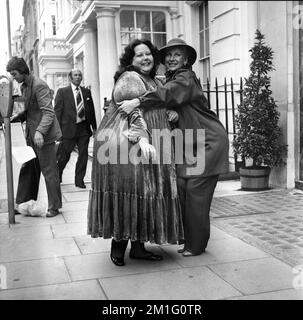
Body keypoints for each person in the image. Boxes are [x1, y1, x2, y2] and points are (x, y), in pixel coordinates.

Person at [119, 38, 229, 256]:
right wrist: (174, 115)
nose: (171, 58)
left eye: (177, 54)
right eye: (168, 55)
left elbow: (166, 95)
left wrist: (137, 101)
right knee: (183, 190)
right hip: (190, 142)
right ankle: (189, 241)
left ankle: (196, 246)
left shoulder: (185, 77)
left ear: (186, 59)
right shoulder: (171, 77)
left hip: (208, 141)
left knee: (196, 195)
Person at [87, 39, 184, 266]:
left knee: (143, 193)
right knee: (129, 191)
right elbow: (132, 113)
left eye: (148, 53)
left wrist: (169, 113)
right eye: (139, 55)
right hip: (129, 147)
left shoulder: (151, 79)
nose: (145, 58)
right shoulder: (130, 78)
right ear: (130, 60)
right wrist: (142, 139)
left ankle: (138, 248)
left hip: (147, 146)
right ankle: (118, 248)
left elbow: (154, 102)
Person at [7, 56, 62, 218]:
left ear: (23, 70)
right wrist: (14, 118)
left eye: (15, 73)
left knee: (49, 171)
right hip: (32, 135)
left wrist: (40, 132)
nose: (13, 77)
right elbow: (31, 110)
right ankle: (23, 203)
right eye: (11, 74)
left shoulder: (39, 85)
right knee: (28, 168)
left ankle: (54, 206)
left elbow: (48, 112)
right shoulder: (25, 86)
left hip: (43, 136)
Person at [54, 69, 97, 188]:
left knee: (83, 154)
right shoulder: (62, 92)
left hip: (84, 128)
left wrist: (94, 127)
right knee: (64, 155)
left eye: (79, 75)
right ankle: (58, 173)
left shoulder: (86, 92)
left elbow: (91, 111)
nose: (78, 77)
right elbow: (57, 112)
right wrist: (57, 131)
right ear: (70, 78)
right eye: (75, 75)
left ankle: (79, 180)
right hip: (68, 129)